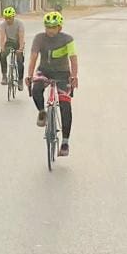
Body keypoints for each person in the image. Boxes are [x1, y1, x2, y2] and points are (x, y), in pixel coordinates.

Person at [25, 11, 79, 158]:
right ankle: (42, 112)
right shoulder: (39, 38)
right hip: (44, 71)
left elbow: (73, 58)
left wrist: (74, 76)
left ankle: (65, 142)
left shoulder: (68, 39)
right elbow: (33, 57)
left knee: (65, 106)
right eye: (47, 27)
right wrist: (29, 75)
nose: (50, 30)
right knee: (36, 89)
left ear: (59, 27)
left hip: (63, 73)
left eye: (53, 27)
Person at [0, 6, 26, 85]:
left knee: (20, 60)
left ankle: (20, 80)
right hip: (9, 42)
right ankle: (4, 76)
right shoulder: (3, 25)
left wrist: (20, 49)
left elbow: (21, 37)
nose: (8, 20)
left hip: (18, 42)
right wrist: (2, 48)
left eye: (9, 18)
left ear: (13, 17)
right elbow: (2, 37)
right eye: (6, 18)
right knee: (2, 55)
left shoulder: (19, 24)